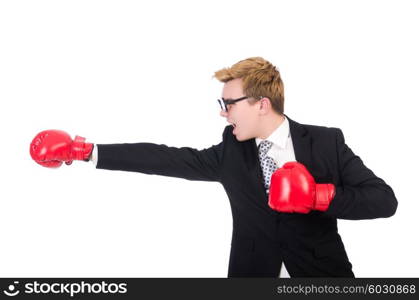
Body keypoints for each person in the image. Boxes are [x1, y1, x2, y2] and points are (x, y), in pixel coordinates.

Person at [29, 57, 398, 277]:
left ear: (262, 104)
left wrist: (318, 196)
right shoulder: (230, 151)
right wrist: (87, 150)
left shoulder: (326, 141)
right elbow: (166, 158)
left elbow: (383, 200)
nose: (223, 113)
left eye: (229, 103)